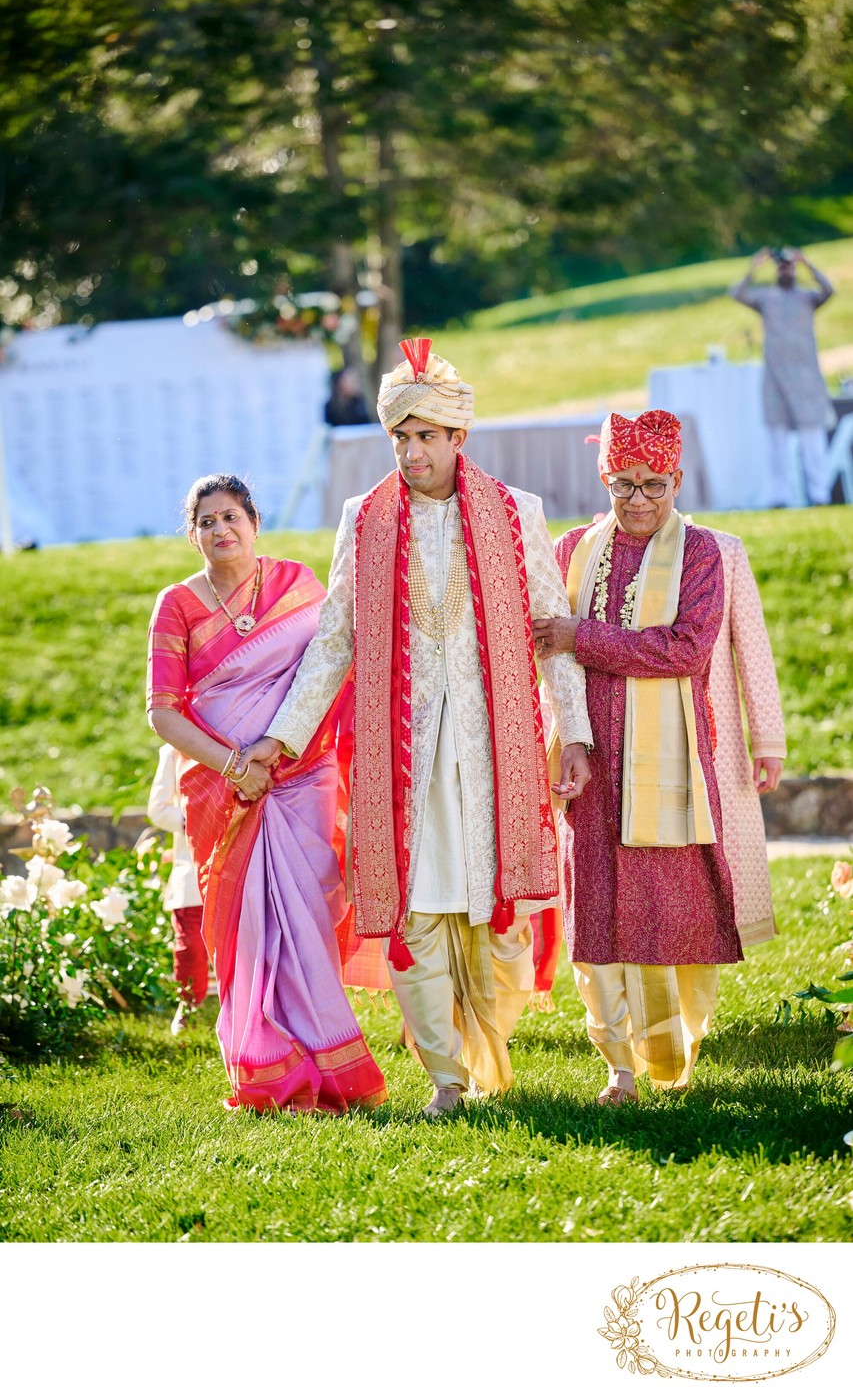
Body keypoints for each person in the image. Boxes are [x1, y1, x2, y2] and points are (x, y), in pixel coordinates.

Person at [243, 338, 593, 1117]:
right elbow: (336, 637)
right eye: (399, 437)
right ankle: (444, 1077)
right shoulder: (362, 519)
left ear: (458, 438)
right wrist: (285, 735)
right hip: (395, 753)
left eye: (425, 436)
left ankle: (487, 1040)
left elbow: (549, 627)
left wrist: (575, 733)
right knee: (413, 906)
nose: (410, 451)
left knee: (491, 912)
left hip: (489, 748)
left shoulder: (515, 512)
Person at [146, 473, 387, 1114]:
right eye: (206, 521)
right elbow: (163, 713)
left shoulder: (298, 586)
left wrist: (276, 751)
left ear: (254, 523)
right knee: (246, 928)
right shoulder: (178, 605)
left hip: (302, 774)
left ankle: (328, 1060)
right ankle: (265, 1065)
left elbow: (328, 672)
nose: (220, 530)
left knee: (305, 913)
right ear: (192, 534)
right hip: (222, 791)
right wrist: (232, 765)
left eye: (231, 517)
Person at [533, 410, 742, 1105]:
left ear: (677, 479)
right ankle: (617, 1065)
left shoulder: (703, 552)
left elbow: (685, 649)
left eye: (654, 484)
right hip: (589, 758)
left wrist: (580, 635)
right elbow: (547, 658)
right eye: (622, 485)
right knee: (594, 908)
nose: (638, 500)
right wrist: (568, 738)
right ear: (604, 479)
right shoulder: (571, 548)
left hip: (670, 756)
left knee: (663, 905)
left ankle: (673, 1050)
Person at [706, 528, 786, 947]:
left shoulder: (724, 550)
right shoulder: (593, 548)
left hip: (718, 740)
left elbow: (752, 649)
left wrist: (767, 741)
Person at [729, 247, 835, 506]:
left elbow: (829, 291)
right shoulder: (767, 298)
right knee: (775, 440)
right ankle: (780, 496)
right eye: (782, 267)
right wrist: (754, 267)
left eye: (789, 267)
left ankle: (819, 494)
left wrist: (806, 262)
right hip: (775, 378)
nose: (786, 270)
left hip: (806, 377)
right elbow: (737, 293)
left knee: (813, 439)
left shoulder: (807, 297)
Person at [146, 742, 208, 1036]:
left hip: (235, 851)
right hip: (191, 861)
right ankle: (189, 1005)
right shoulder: (171, 751)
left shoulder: (239, 733)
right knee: (190, 944)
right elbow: (158, 809)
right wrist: (195, 820)